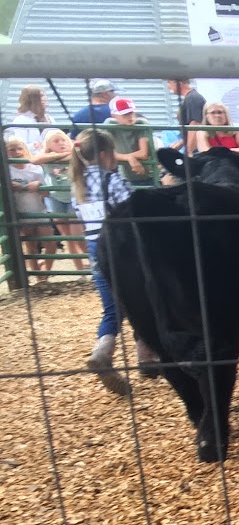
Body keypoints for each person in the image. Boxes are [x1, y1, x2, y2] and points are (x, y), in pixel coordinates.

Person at [71, 128, 133, 395]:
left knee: (111, 308)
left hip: (95, 248)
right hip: (120, 246)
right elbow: (132, 209)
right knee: (140, 297)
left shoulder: (77, 185)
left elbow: (80, 217)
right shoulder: (113, 180)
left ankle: (102, 351)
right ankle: (149, 357)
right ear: (107, 154)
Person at [32, 128, 89, 272]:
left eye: (64, 140)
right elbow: (34, 160)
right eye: (56, 141)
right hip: (55, 198)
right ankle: (80, 270)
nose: (61, 143)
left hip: (73, 197)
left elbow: (79, 154)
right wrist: (56, 155)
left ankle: (94, 262)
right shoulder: (46, 158)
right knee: (67, 236)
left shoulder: (75, 155)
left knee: (77, 235)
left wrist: (62, 154)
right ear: (48, 146)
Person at [6, 137, 54, 281]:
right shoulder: (6, 170)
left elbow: (46, 193)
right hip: (21, 213)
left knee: (51, 245)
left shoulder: (35, 168)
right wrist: (9, 185)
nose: (17, 152)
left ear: (26, 150)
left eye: (20, 148)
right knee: (30, 247)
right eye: (12, 150)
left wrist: (39, 185)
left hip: (39, 210)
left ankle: (44, 273)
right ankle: (39, 278)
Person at [105, 96, 155, 184]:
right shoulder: (109, 125)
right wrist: (129, 158)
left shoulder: (141, 123)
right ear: (114, 116)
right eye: (125, 114)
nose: (130, 117)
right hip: (124, 177)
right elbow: (105, 153)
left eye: (131, 112)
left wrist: (124, 157)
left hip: (148, 176)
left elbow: (143, 154)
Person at [165, 79, 207, 152]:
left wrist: (189, 151)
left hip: (197, 150)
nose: (168, 86)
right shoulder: (190, 98)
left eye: (169, 82)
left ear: (179, 82)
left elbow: (195, 125)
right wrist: (182, 142)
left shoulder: (193, 98)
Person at [6, 85, 50, 153]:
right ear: (30, 100)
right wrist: (35, 145)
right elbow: (20, 146)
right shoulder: (21, 120)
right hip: (31, 157)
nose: (45, 99)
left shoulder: (49, 118)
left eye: (44, 95)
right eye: (41, 96)